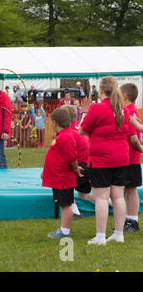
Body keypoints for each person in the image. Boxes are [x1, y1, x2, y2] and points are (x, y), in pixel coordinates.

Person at [79, 76, 131, 245]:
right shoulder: (123, 109)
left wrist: (85, 112)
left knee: (101, 198)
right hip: (121, 157)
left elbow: (81, 130)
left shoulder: (97, 108)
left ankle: (100, 236)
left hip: (101, 159)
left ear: (100, 90)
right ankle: (118, 233)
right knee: (118, 196)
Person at [43, 107, 82, 238]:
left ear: (54, 123)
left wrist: (76, 169)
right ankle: (64, 229)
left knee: (65, 205)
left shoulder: (65, 137)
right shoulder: (62, 136)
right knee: (64, 204)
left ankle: (65, 230)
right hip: (59, 178)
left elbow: (71, 157)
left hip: (63, 179)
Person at [62, 105, 94, 219]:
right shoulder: (78, 128)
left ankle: (75, 212)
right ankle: (110, 203)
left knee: (63, 185)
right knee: (83, 195)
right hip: (89, 166)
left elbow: (68, 156)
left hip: (80, 168)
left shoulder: (68, 132)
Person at [120, 83, 142, 232]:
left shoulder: (129, 112)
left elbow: (134, 138)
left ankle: (133, 220)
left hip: (131, 158)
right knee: (128, 189)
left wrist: (140, 149)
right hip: (127, 158)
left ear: (125, 96)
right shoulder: (128, 110)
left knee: (131, 190)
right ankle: (128, 219)